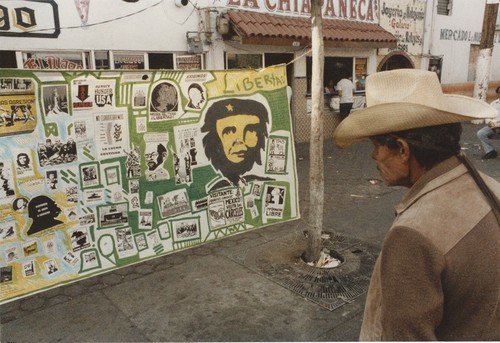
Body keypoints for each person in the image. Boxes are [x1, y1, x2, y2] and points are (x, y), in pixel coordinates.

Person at [333, 69, 500, 340]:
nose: (374, 155)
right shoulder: (489, 185)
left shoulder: (412, 234)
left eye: (377, 146)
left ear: (402, 149)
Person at [201, 97, 272, 190]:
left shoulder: (264, 182)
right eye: (229, 131)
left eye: (250, 130)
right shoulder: (216, 190)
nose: (240, 143)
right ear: (215, 139)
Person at [477, 86, 500, 159]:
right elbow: (488, 115)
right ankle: (490, 151)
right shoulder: (494, 104)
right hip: (494, 126)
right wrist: (490, 122)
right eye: (499, 92)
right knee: (481, 133)